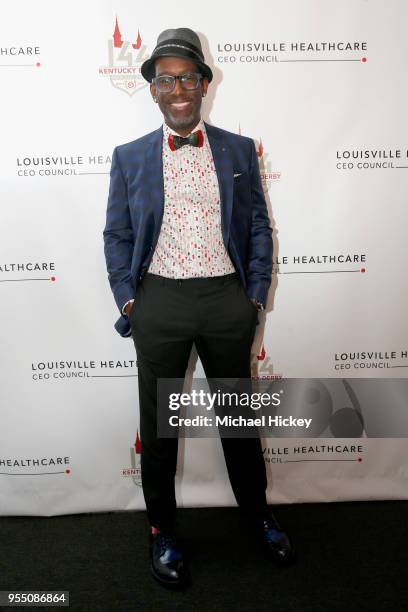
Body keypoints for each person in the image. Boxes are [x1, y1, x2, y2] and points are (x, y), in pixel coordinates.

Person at [103, 27, 294, 588]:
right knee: (159, 430)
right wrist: (131, 301)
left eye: (187, 76)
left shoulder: (237, 149)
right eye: (166, 79)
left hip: (225, 301)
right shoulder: (130, 157)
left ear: (205, 84)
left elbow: (258, 225)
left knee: (237, 421)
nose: (178, 87)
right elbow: (116, 234)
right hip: (158, 302)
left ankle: (258, 517)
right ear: (155, 91)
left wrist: (253, 297)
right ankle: (162, 531)